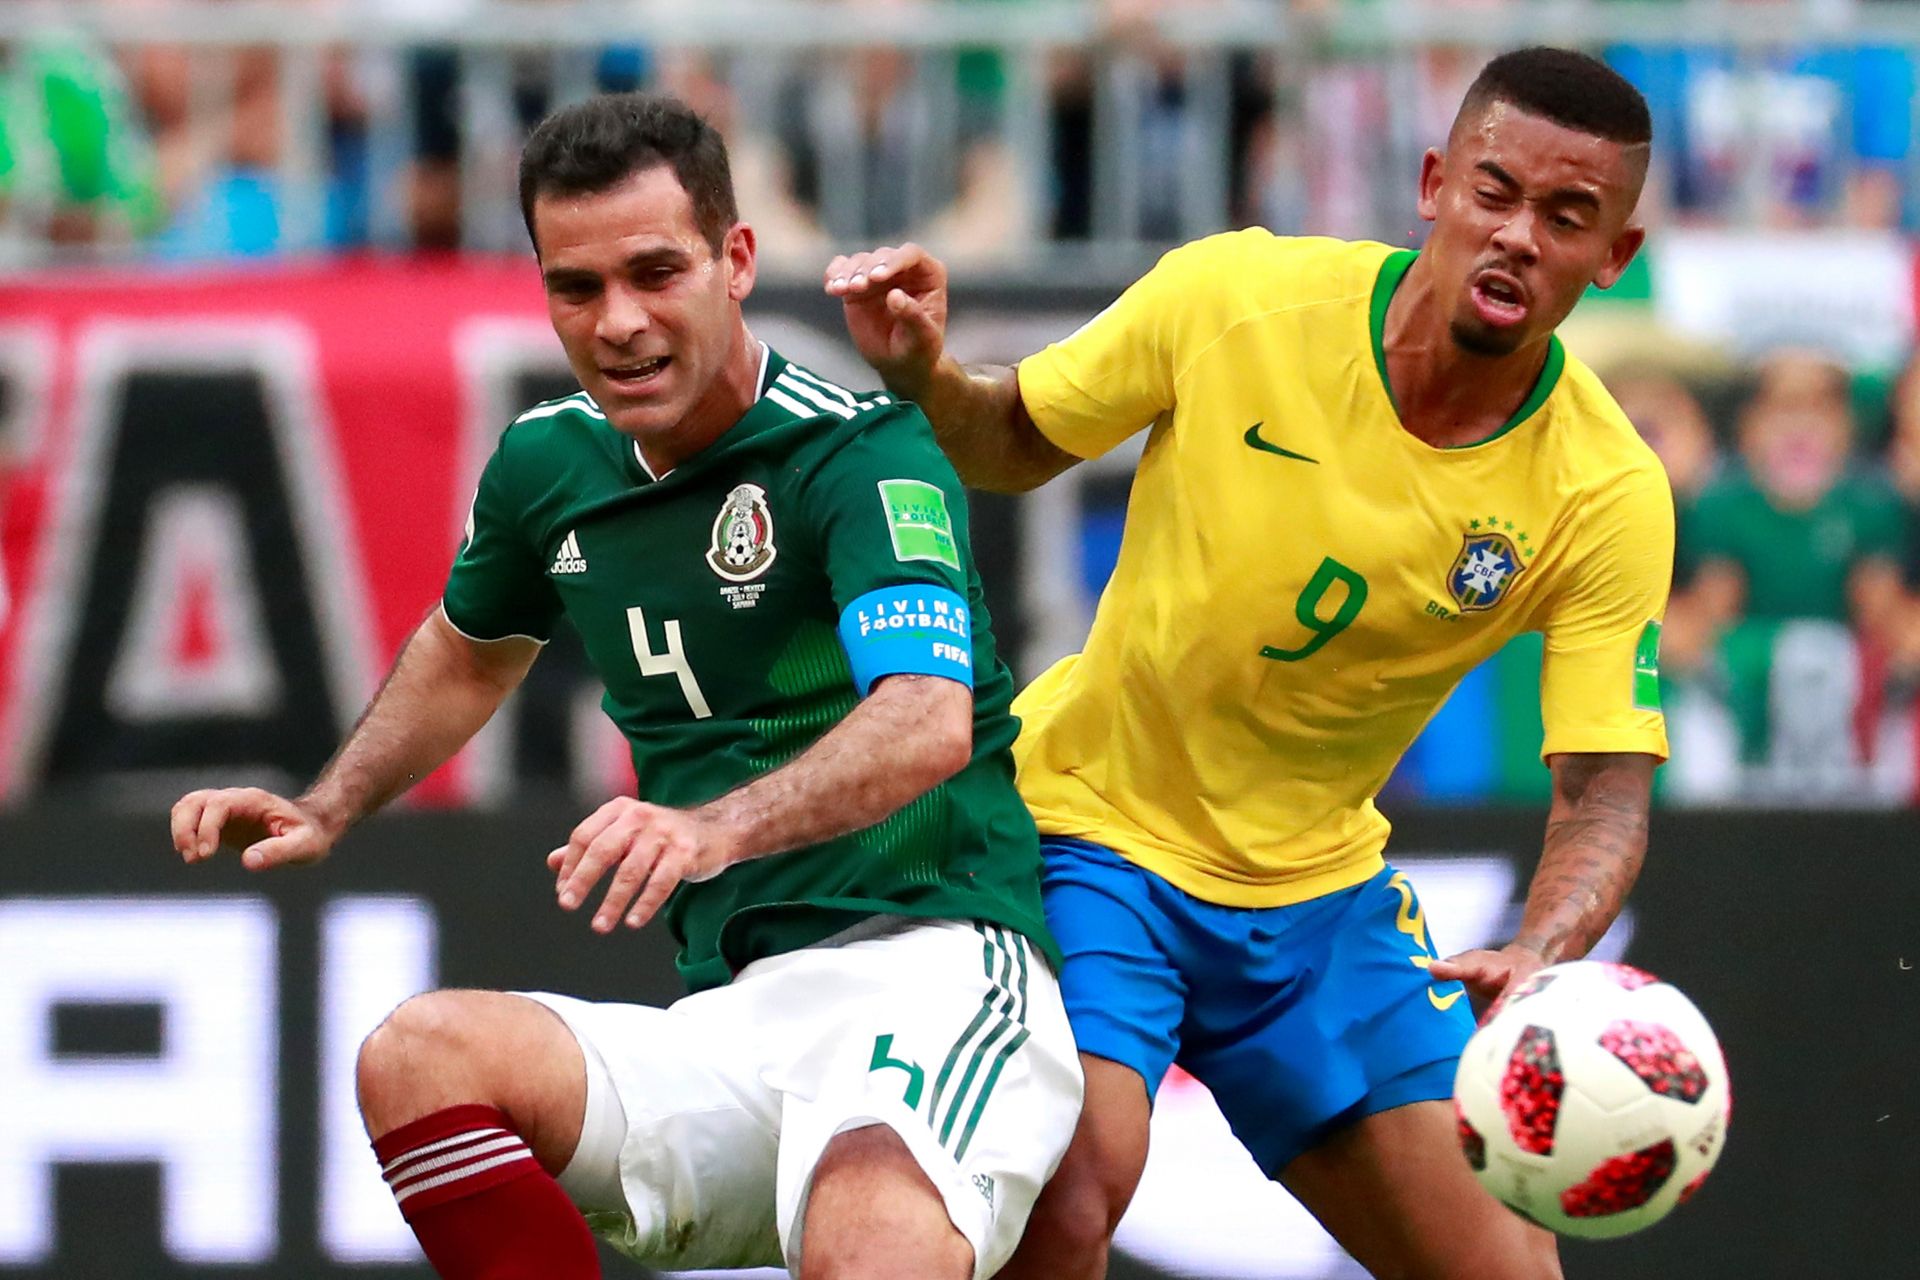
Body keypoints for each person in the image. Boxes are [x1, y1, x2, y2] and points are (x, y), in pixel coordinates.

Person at [170, 93, 1081, 1280]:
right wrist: (332, 800)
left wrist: (710, 828)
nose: (620, 322)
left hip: (937, 971)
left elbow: (924, 718)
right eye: (577, 287)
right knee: (419, 1053)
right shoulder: (551, 464)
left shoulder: (855, 451)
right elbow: (468, 646)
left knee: (870, 1238)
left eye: (657, 272)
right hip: (736, 1019)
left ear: (737, 259)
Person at [829, 46, 1672, 1280]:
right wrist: (927, 379)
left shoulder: (1605, 490)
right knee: (1070, 1188)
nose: (1518, 237)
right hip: (1093, 833)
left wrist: (1541, 947)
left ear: (1614, 258)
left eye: (1567, 217)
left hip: (1321, 903)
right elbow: (1009, 443)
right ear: (1434, 184)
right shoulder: (1237, 297)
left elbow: (1603, 790)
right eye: (1495, 193)